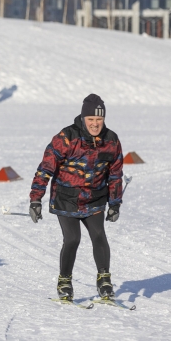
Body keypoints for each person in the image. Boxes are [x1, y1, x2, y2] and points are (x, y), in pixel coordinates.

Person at [29, 94, 124, 301]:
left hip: (95, 198)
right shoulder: (67, 137)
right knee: (72, 238)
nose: (95, 124)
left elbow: (115, 174)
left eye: (99, 119)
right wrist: (36, 199)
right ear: (83, 118)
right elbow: (45, 169)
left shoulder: (111, 140)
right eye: (91, 119)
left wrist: (115, 203)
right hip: (66, 198)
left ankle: (104, 280)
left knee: (99, 235)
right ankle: (64, 281)